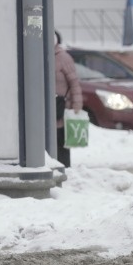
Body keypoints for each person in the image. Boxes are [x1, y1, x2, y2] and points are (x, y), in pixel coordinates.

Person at [54, 31, 83, 169]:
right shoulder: (40, 55)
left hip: (61, 108)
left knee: (61, 142)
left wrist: (76, 107)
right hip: (45, 109)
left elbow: (74, 83)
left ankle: (65, 169)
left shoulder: (63, 58)